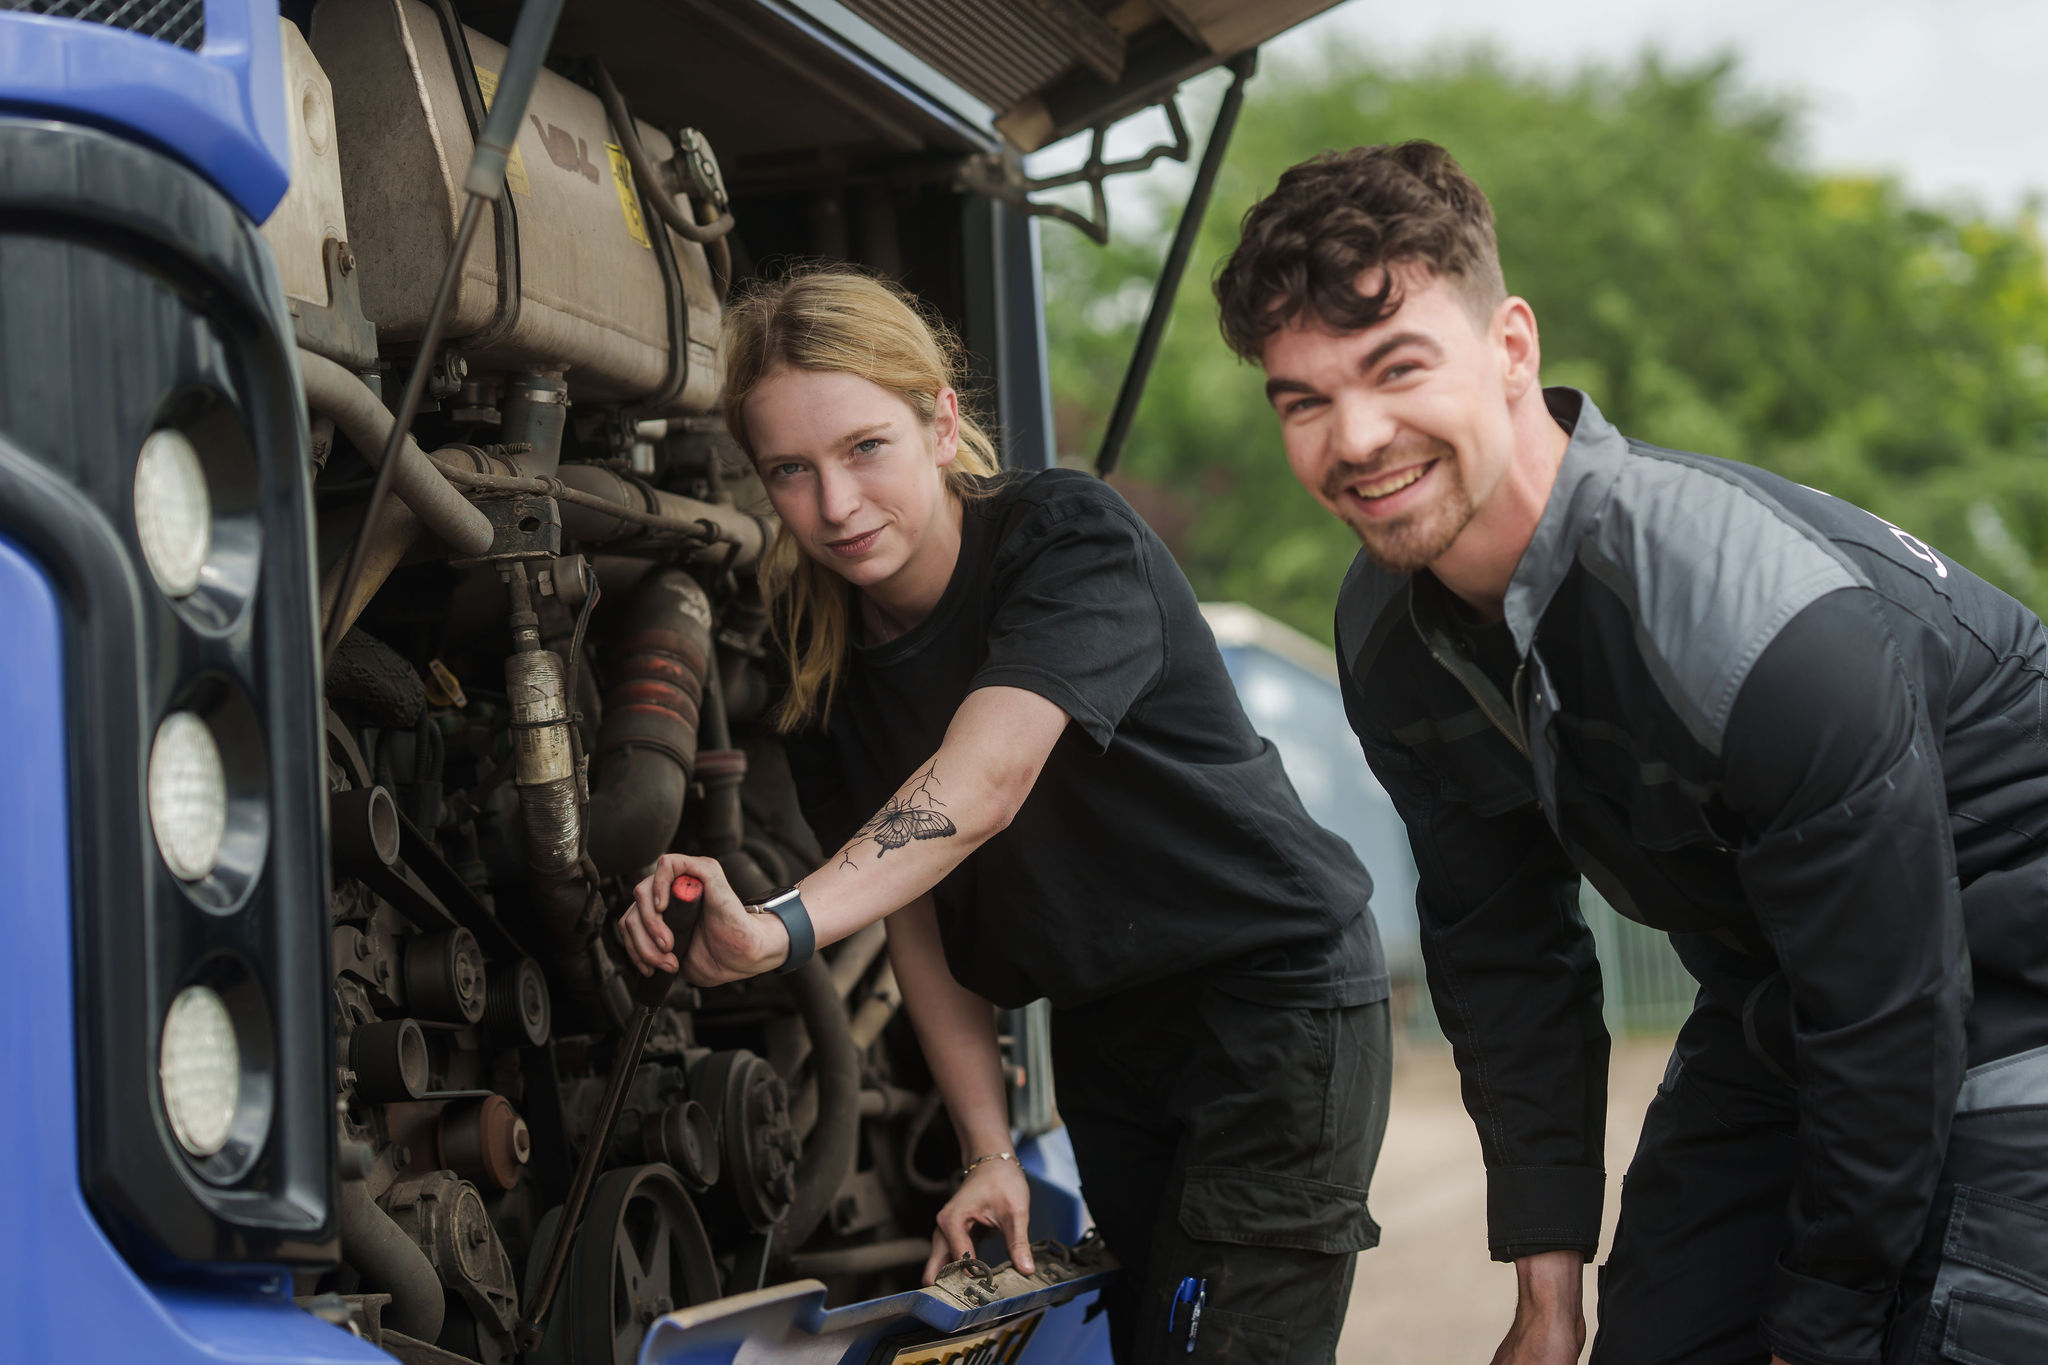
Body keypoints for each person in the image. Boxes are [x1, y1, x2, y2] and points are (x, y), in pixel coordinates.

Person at [1212, 140, 2048, 1365]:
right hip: (1787, 988)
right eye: (1304, 400)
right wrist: (1545, 1298)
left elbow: (1891, 1012)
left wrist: (1817, 1327)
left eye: (1396, 370)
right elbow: (1504, 957)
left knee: (1935, 1330)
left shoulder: (1747, 618)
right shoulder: (1386, 631)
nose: (1355, 437)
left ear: (1509, 348)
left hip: (2002, 978)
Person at [614, 268, 1390, 1364]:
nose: (833, 506)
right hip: (1104, 1032)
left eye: (863, 449)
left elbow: (978, 786)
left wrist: (777, 926)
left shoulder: (1065, 541)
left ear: (939, 422)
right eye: (789, 470)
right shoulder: (817, 646)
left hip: (1268, 1001)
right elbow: (913, 909)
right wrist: (988, 1149)